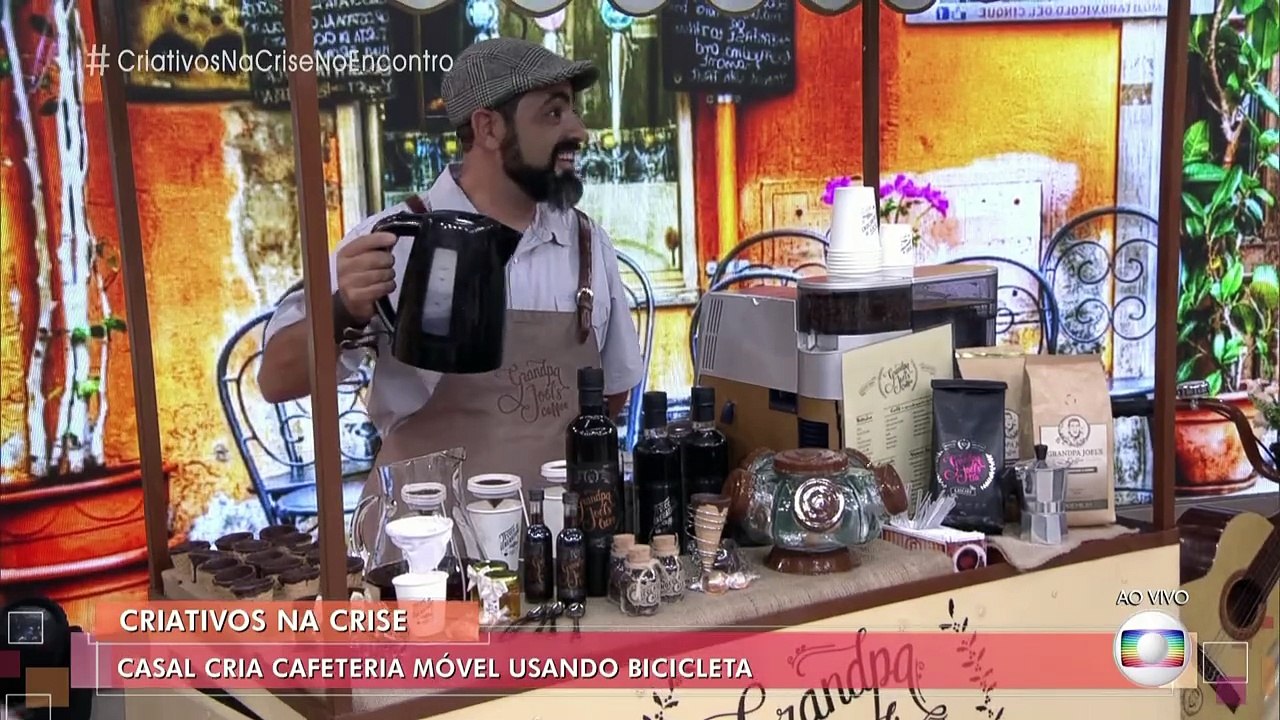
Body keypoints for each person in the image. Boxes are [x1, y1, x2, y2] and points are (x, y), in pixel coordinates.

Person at [258, 38, 644, 513]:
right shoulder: (394, 241)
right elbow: (276, 381)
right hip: (426, 538)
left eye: (573, 111)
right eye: (553, 112)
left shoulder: (586, 244)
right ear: (488, 127)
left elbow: (612, 390)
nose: (579, 130)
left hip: (554, 538)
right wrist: (343, 310)